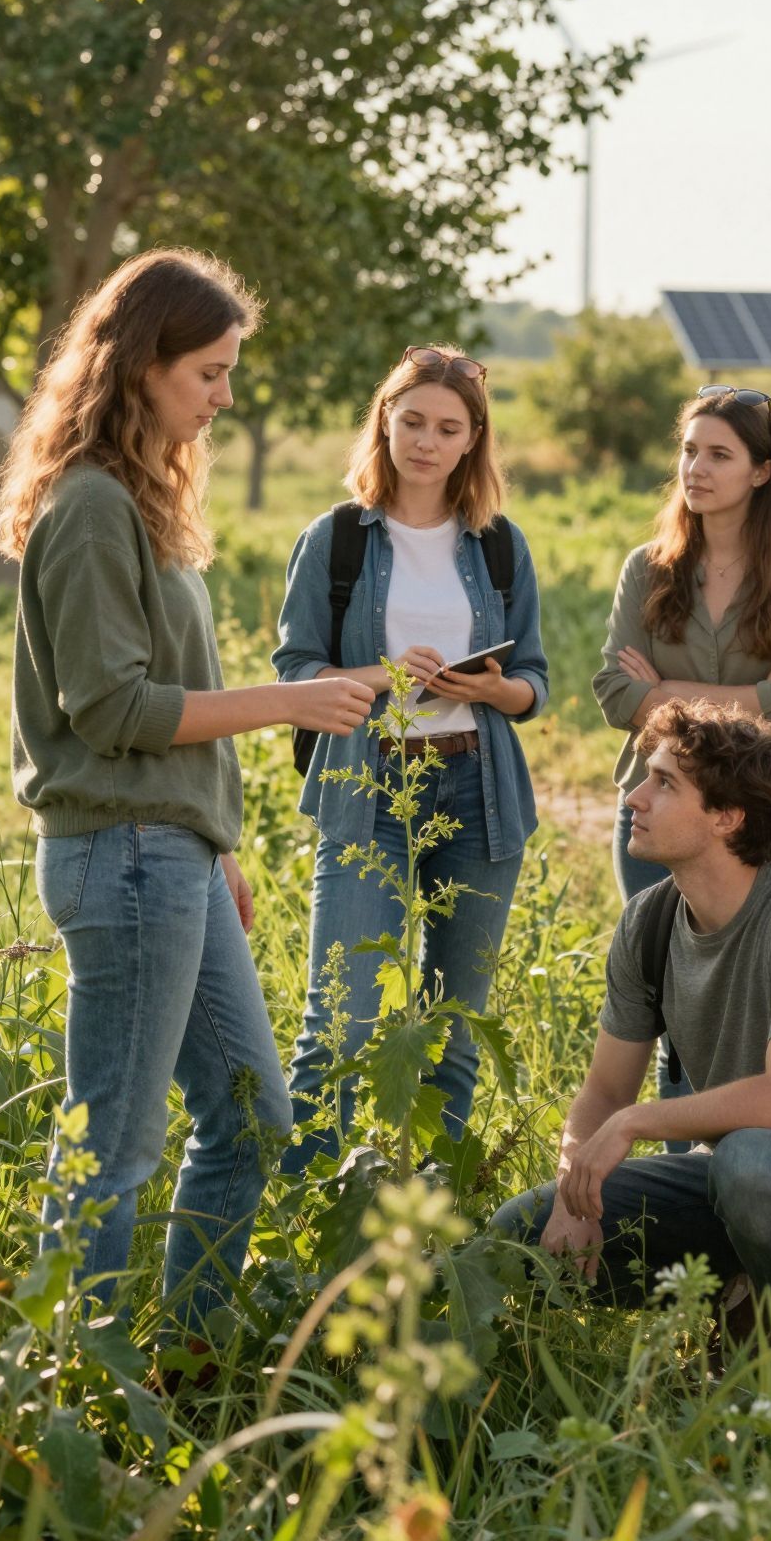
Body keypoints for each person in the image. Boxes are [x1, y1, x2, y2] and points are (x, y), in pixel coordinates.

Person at [0, 249, 374, 1328]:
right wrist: (293, 701)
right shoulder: (90, 506)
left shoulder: (138, 500)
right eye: (208, 371)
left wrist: (216, 841)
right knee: (113, 1142)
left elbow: (168, 706)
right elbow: (112, 709)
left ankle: (193, 1351)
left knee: (251, 1115)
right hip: (121, 857)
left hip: (173, 854)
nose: (223, 395)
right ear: (140, 365)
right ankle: (67, 1391)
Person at [491, 702, 771, 1452]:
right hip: (732, 1179)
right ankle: (744, 1295)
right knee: (517, 1240)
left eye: (662, 783)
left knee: (755, 1161)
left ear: (726, 817)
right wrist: (576, 1186)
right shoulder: (652, 921)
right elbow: (602, 1093)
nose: (635, 797)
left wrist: (632, 1127)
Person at [274, 346, 549, 1172]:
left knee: (455, 1022)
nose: (427, 441)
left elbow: (532, 679)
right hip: (368, 785)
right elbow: (295, 671)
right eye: (413, 421)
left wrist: (492, 689)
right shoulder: (336, 539)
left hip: (477, 786)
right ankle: (309, 1202)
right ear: (385, 423)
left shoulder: (498, 546)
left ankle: (432, 1210)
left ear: (473, 441)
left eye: (448, 428)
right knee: (343, 1018)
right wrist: (383, 679)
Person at [592, 385, 771, 1123]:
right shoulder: (649, 566)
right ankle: (676, 1193)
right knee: (672, 1008)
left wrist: (664, 692)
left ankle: (753, 1181)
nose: (695, 468)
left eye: (719, 455)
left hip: (768, 821)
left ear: (761, 471)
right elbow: (611, 693)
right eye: (689, 450)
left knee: (770, 1007)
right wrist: (755, 694)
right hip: (656, 815)